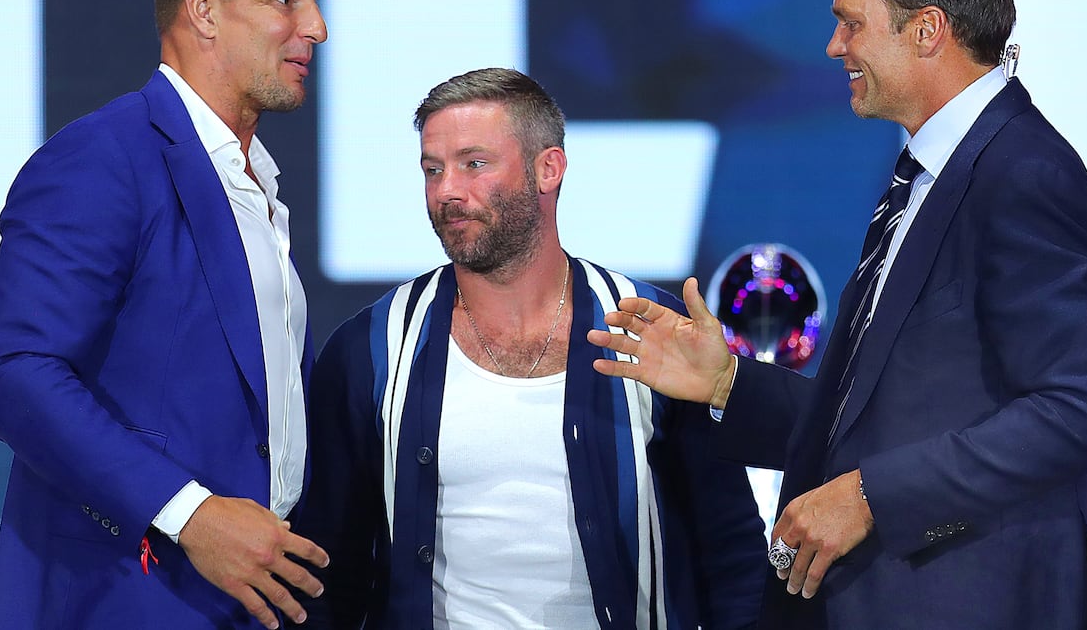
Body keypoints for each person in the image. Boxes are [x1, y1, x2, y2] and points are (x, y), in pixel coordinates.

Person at [590, 0, 1087, 630]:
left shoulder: (1024, 174)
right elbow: (873, 423)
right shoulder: (933, 175)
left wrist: (874, 496)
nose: (833, 46)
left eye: (851, 23)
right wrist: (725, 382)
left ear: (928, 31)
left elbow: (1082, 411)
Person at [296, 68, 766, 629]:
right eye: (432, 169)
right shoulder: (370, 349)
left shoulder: (650, 331)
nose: (447, 190)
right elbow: (328, 570)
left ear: (549, 169)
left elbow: (731, 550)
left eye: (474, 163)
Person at [0, 0, 330, 629]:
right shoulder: (105, 157)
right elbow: (17, 371)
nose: (316, 27)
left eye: (315, 2)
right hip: (125, 600)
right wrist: (193, 516)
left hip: (247, 605)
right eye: (287, 0)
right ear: (203, 8)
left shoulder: (254, 179)